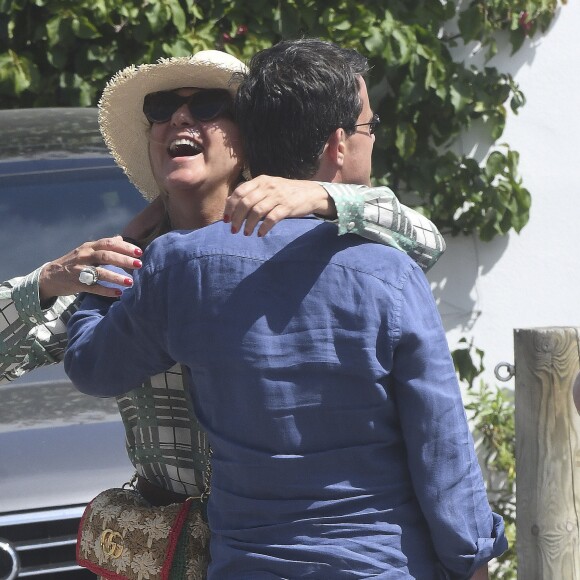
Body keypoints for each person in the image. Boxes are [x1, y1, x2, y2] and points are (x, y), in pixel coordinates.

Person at [64, 39, 506, 579]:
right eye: (369, 128)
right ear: (338, 145)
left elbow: (90, 365)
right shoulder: (388, 272)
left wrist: (96, 283)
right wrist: (472, 557)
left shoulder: (176, 265)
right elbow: (441, 444)